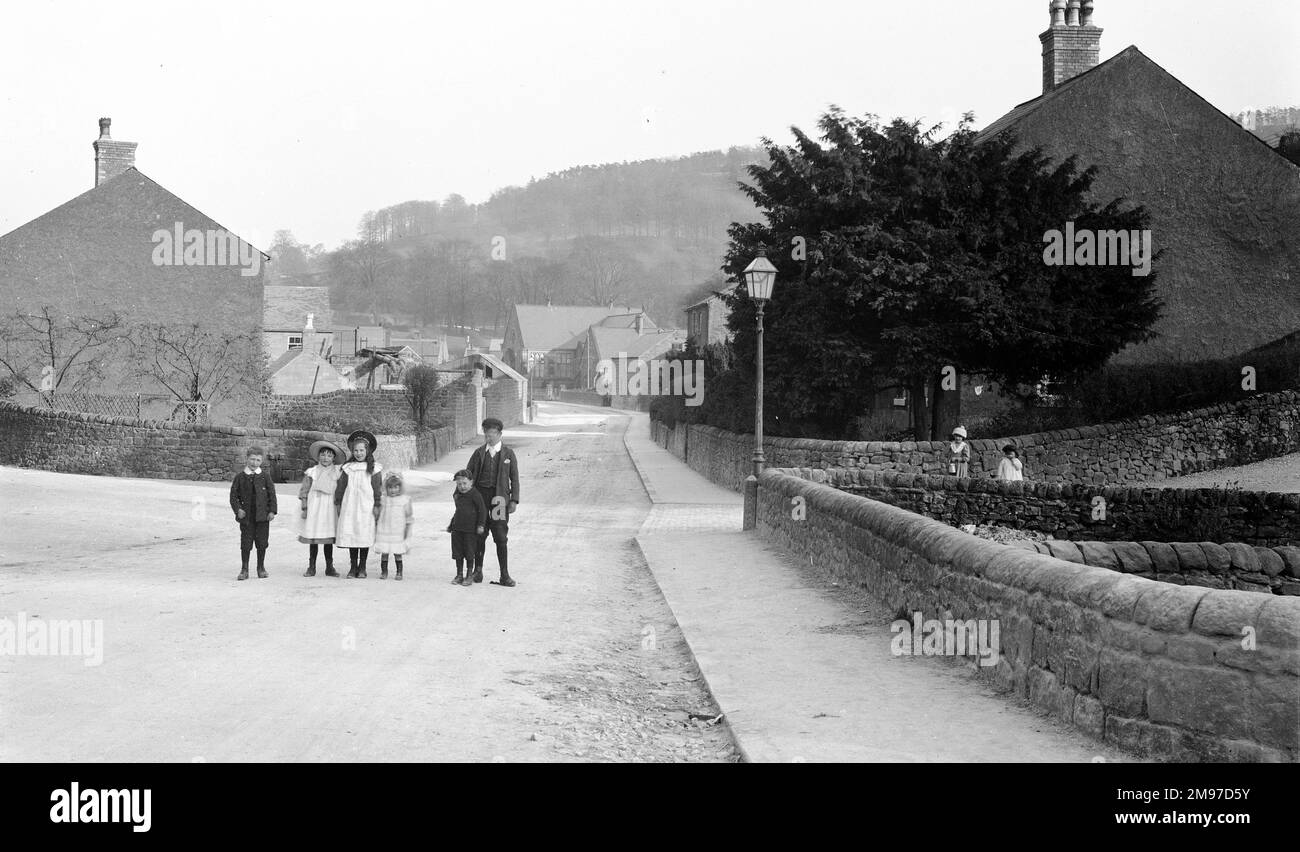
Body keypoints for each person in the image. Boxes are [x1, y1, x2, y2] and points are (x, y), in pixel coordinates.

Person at [464, 417, 519, 587]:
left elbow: (514, 479)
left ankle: (504, 574)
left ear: (500, 434)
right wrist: (463, 497)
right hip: (481, 498)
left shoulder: (508, 454)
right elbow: (467, 475)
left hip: (499, 499)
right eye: (486, 435)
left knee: (500, 536)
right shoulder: (479, 453)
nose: (489, 438)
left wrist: (514, 500)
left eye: (493, 434)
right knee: (480, 533)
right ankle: (478, 571)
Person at [335, 430, 383, 579]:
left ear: (367, 451)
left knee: (363, 535)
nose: (358, 453)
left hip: (365, 507)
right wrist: (338, 503)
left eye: (361, 450)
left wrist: (377, 505)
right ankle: (353, 567)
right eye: (356, 450)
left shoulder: (374, 469)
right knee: (352, 534)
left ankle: (362, 567)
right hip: (350, 506)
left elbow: (377, 489)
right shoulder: (348, 468)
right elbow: (341, 487)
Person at [298, 440, 345, 577]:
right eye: (323, 455)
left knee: (327, 537)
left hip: (329, 507)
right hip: (315, 506)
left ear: (334, 458)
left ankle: (329, 566)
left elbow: (341, 489)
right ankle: (311, 566)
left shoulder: (337, 472)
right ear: (318, 457)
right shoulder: (312, 472)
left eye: (329, 455)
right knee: (314, 535)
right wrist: (305, 506)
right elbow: (304, 490)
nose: (326, 458)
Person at [230, 446, 277, 580]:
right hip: (247, 517)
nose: (254, 463)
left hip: (263, 516)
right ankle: (244, 569)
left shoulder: (265, 477)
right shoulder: (240, 477)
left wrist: (272, 511)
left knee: (262, 542)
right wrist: (238, 509)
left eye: (257, 460)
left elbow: (271, 494)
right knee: (246, 542)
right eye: (252, 459)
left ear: (261, 461)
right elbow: (234, 496)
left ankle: (261, 567)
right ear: (247, 459)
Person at [447, 469, 486, 586]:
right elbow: (458, 511)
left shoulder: (475, 495)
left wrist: (481, 525)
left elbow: (482, 511)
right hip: (457, 529)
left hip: (470, 530)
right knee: (458, 553)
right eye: (459, 484)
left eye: (464, 483)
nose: (462, 486)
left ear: (471, 482)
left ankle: (469, 575)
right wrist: (451, 524)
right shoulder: (458, 495)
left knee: (469, 553)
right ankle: (459, 574)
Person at [374, 472, 414, 580]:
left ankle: (399, 572)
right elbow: (379, 512)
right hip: (385, 528)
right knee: (385, 552)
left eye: (396, 487)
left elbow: (408, 515)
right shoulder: (384, 499)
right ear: (386, 488)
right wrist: (376, 522)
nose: (393, 490)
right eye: (390, 487)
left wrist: (407, 527)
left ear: (400, 487)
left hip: (398, 529)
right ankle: (384, 571)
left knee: (398, 552)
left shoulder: (404, 500)